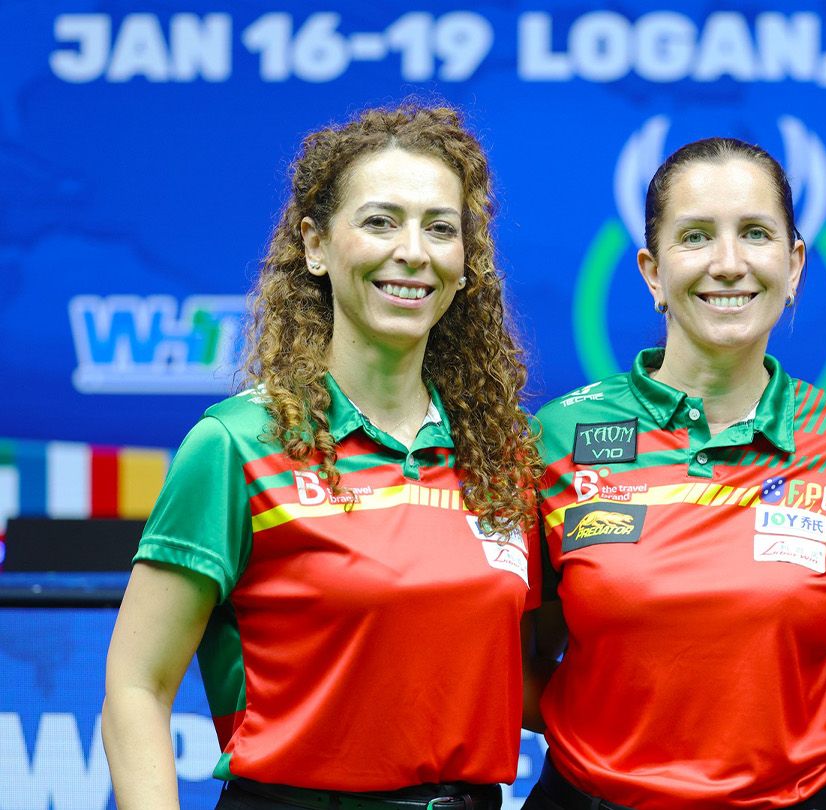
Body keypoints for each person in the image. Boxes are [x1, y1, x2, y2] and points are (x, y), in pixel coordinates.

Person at [101, 104, 542, 810]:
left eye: (440, 228)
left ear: (467, 261)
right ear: (315, 245)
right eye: (380, 222)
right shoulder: (237, 443)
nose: (413, 252)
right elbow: (136, 686)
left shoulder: (504, 453)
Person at [523, 137, 826, 810]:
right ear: (652, 272)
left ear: (794, 265)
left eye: (755, 233)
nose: (728, 263)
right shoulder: (557, 438)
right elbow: (511, 653)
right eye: (695, 237)